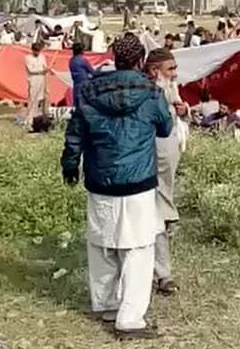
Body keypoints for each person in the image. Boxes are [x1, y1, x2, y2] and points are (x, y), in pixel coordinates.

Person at [61, 34, 172, 340]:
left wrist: (70, 165)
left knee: (102, 244)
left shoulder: (89, 90)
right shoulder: (151, 92)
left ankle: (108, 305)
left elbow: (75, 134)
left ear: (114, 57)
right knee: (138, 249)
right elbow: (165, 127)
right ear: (139, 61)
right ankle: (130, 318)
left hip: (100, 180)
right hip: (138, 183)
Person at [143, 48, 188, 296]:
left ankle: (159, 272)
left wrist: (183, 110)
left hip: (165, 166)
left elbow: (176, 110)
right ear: (154, 71)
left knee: (159, 214)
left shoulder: (169, 89)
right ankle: (162, 274)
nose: (174, 73)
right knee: (155, 216)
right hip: (148, 166)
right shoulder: (147, 94)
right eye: (169, 69)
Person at [25, 42, 50, 126]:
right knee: (32, 99)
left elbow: (45, 67)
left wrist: (48, 70)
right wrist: (41, 71)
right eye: (35, 51)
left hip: (42, 79)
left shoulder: (42, 57)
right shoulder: (28, 58)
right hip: (33, 80)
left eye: (38, 51)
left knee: (43, 99)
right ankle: (30, 118)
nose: (37, 52)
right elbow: (30, 70)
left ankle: (42, 118)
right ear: (32, 50)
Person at [69, 42, 95, 108]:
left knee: (77, 104)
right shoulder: (83, 60)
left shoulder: (71, 61)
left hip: (76, 85)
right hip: (84, 85)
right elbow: (91, 71)